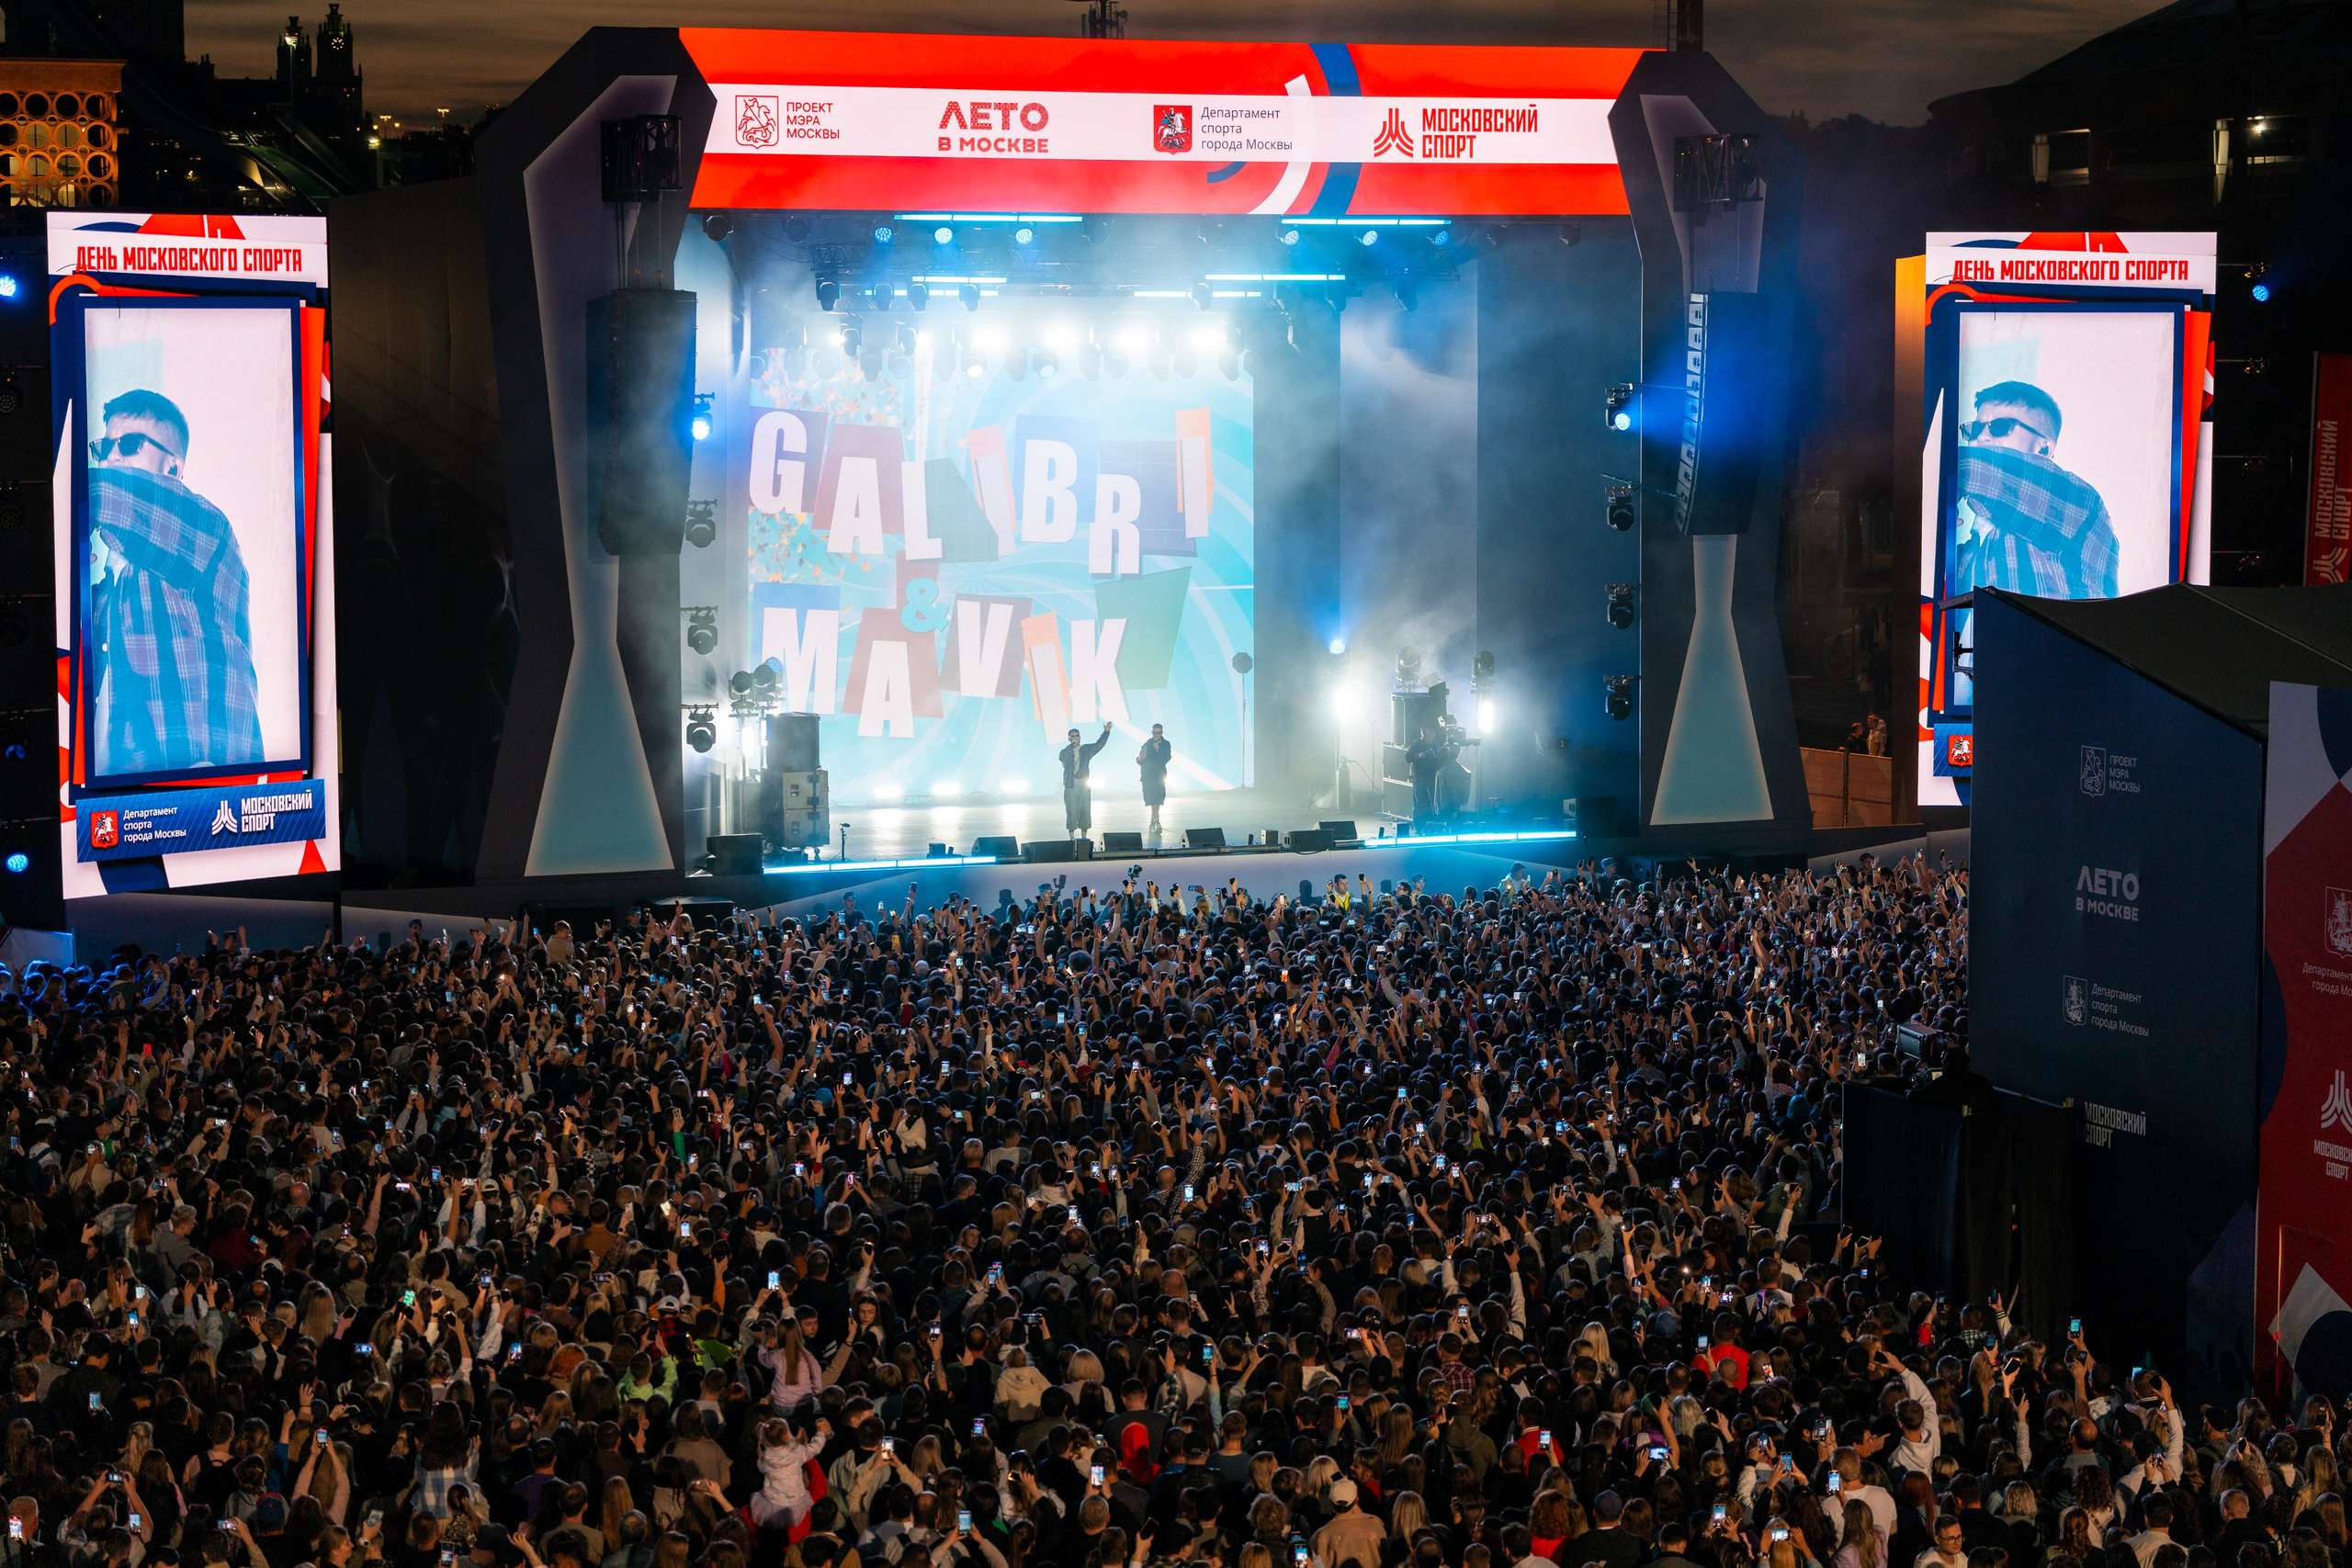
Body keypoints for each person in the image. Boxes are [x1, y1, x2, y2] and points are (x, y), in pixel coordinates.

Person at [85, 388, 266, 777]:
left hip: (207, 792)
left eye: (130, 444)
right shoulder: (105, 586)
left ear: (173, 469)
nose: (111, 457)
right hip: (126, 810)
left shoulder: (204, 527)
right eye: (103, 448)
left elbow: (91, 494)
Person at [1950, 379, 2120, 602]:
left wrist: (1938, 484)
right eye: (1975, 429)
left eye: (2000, 427)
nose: (1981, 437)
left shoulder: (2079, 502)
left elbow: (1958, 466)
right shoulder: (1966, 554)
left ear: (2044, 448)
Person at [1059, 722, 1113, 839]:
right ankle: (1072, 837)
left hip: (1084, 783)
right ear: (1069, 738)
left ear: (1080, 737)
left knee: (1085, 810)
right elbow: (1062, 758)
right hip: (1071, 784)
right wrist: (1070, 747)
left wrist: (1106, 732)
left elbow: (1099, 745)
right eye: (1072, 736)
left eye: (1077, 736)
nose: (1075, 738)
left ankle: (1084, 837)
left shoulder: (1086, 749)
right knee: (1071, 811)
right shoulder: (1065, 751)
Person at [1136, 725, 1173, 837]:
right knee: (1153, 800)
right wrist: (1140, 758)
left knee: (1158, 799)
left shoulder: (1166, 744)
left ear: (1162, 733)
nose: (1156, 735)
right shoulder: (1147, 744)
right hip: (1148, 776)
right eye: (1154, 733)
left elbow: (1166, 758)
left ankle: (1153, 821)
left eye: (1158, 733)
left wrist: (1157, 750)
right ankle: (1156, 821)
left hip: (1159, 775)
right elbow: (1140, 760)